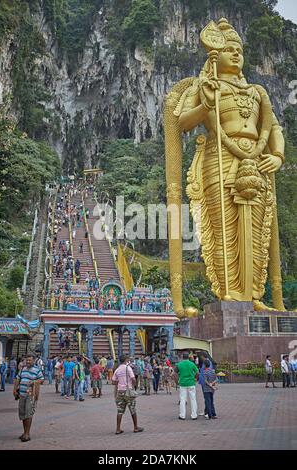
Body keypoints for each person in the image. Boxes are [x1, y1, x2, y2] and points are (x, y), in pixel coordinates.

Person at [165, 18, 286, 314]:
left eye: (239, 50)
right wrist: (206, 105)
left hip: (256, 162)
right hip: (218, 159)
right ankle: (228, 292)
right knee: (223, 229)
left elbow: (274, 127)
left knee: (258, 231)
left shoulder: (258, 92)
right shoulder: (206, 86)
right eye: (229, 49)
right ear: (215, 55)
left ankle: (254, 294)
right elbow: (180, 123)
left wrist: (278, 155)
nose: (236, 54)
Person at [13, 353, 44, 442]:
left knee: (28, 414)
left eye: (30, 360)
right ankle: (24, 432)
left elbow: (41, 380)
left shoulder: (37, 370)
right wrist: (14, 389)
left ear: (34, 361)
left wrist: (34, 382)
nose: (28, 362)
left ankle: (27, 433)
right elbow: (18, 378)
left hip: (31, 395)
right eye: (27, 360)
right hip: (21, 395)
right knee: (23, 414)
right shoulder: (23, 369)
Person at [112, 354, 144, 435]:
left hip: (120, 392)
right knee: (132, 409)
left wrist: (120, 382)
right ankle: (135, 427)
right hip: (128, 391)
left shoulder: (117, 369)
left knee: (120, 411)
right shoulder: (128, 368)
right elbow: (133, 379)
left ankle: (118, 429)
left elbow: (113, 381)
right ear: (126, 360)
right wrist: (133, 386)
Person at [175, 352, 199, 420]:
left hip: (182, 383)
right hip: (191, 383)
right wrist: (195, 379)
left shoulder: (179, 364)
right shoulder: (192, 364)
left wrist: (177, 382)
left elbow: (175, 373)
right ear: (188, 357)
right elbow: (197, 372)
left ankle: (182, 415)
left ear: (182, 357)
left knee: (182, 399)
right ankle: (194, 415)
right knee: (193, 399)